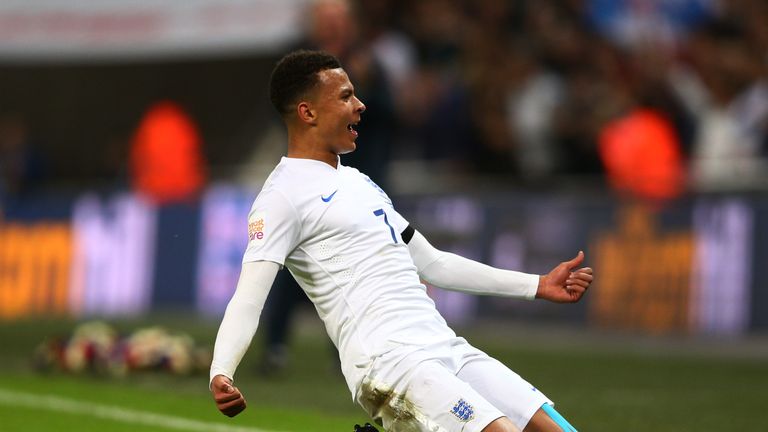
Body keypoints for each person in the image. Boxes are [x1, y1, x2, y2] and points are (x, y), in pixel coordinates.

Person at [209, 50, 593, 432]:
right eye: (344, 96)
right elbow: (248, 297)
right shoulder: (280, 197)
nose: (359, 105)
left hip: (444, 347)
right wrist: (221, 371)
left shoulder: (359, 182)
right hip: (389, 363)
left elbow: (434, 264)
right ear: (307, 112)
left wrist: (537, 285)